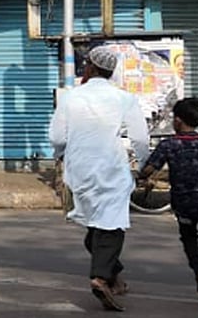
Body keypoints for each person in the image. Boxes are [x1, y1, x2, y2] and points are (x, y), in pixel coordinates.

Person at [49, 46, 149, 311]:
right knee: (113, 225)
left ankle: (113, 276)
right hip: (111, 168)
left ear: (89, 68)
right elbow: (140, 139)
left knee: (95, 228)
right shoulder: (124, 98)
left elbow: (58, 138)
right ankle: (100, 277)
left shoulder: (70, 98)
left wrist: (60, 155)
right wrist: (144, 165)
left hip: (78, 169)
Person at [137, 97, 198, 312]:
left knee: (189, 238)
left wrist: (142, 177)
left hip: (183, 203)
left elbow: (148, 170)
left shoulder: (168, 145)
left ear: (178, 121)